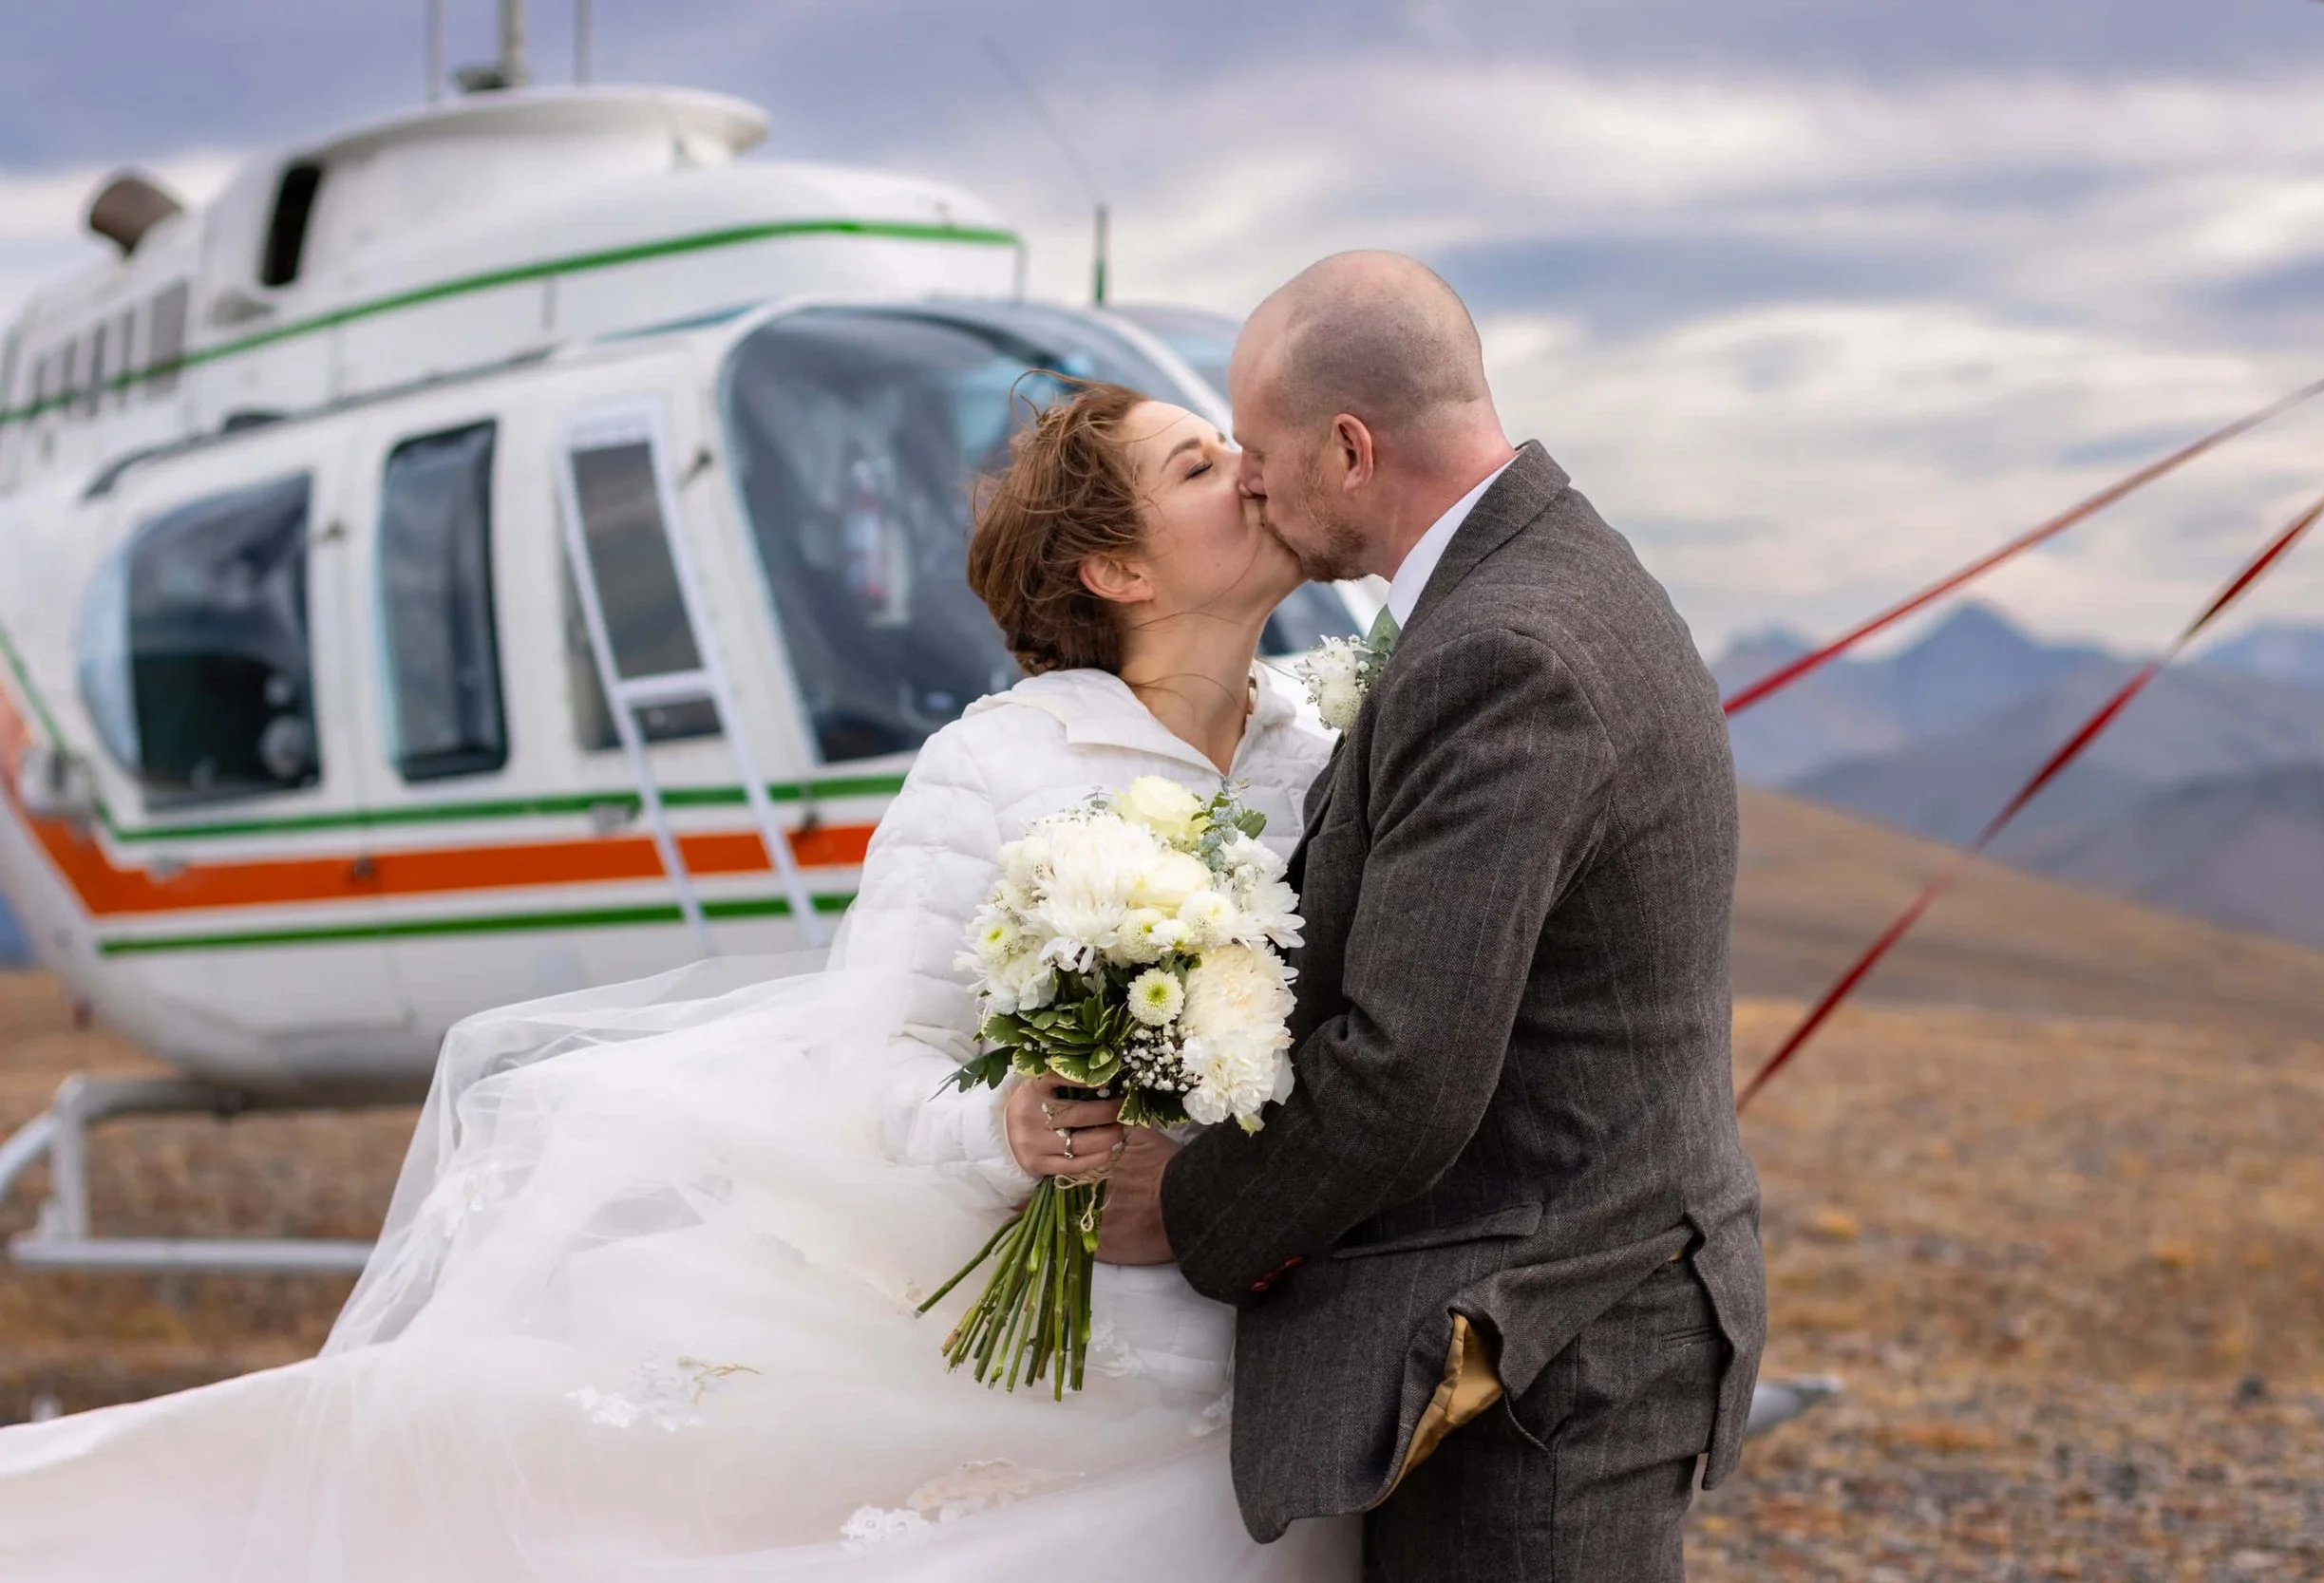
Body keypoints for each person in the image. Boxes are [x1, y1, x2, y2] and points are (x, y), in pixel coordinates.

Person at [0, 384, 1359, 1580]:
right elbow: (873, 1054)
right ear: (1119, 566)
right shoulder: (993, 765)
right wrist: (1003, 1130)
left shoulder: (1326, 752)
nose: (1250, 469)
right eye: (1200, 463)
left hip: (1274, 1331)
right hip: (1071, 1341)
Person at [1093, 252, 1767, 1581]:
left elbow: (1409, 1067)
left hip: (1553, 1351)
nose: (1251, 479)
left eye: (1259, 447)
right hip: (1580, 1297)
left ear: (1348, 448)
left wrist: (1185, 1199)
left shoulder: (1503, 647)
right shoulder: (1542, 569)